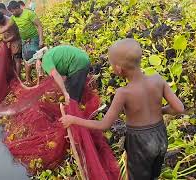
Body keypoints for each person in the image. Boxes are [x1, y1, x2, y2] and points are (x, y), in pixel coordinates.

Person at [60, 39, 184, 180]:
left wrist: (73, 119)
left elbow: (104, 125)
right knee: (153, 174)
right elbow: (179, 108)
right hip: (160, 137)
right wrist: (160, 111)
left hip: (140, 143)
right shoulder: (158, 80)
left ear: (118, 69)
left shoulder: (123, 93)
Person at [0, 1, 44, 85]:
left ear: (17, 8)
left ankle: (39, 80)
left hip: (33, 39)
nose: (12, 13)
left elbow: (39, 26)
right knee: (26, 60)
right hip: (24, 41)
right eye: (11, 12)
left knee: (35, 59)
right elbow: (6, 27)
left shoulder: (29, 13)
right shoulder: (13, 17)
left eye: (13, 11)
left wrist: (41, 40)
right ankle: (28, 80)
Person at [0, 10, 22, 78]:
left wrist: (6, 40)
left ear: (3, 16)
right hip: (8, 41)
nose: (0, 23)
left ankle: (18, 78)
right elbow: (2, 32)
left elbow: (15, 35)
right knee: (10, 60)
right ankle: (13, 76)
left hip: (16, 41)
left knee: (17, 60)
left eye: (1, 21)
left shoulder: (9, 21)